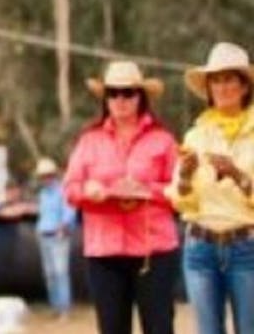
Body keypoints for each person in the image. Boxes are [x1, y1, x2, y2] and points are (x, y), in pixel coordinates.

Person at [64, 60, 180, 334]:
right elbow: (70, 189)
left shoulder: (163, 140)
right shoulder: (89, 140)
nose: (120, 100)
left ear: (141, 97)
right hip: (105, 251)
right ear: (105, 98)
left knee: (160, 328)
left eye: (128, 93)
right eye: (113, 93)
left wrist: (146, 190)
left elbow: (181, 192)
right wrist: (91, 193)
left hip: (155, 252)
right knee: (112, 329)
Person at [170, 42, 254, 334]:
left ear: (244, 86)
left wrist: (239, 176)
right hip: (200, 247)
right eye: (215, 80)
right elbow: (182, 202)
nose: (222, 87)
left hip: (247, 246)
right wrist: (184, 176)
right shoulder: (196, 135)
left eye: (230, 79)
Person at [34, 157, 78, 320]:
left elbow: (70, 211)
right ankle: (55, 307)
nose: (44, 178)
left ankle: (64, 309)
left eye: (47, 175)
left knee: (60, 273)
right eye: (42, 176)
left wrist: (63, 226)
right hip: (44, 235)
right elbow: (43, 213)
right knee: (50, 274)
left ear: (53, 175)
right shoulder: (43, 194)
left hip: (58, 236)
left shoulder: (62, 191)